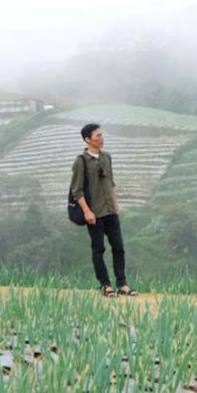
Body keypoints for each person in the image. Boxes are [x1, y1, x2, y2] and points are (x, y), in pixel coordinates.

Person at [70, 123, 137, 298]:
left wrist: (115, 205)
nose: (101, 138)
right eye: (97, 136)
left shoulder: (106, 157)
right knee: (99, 250)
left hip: (110, 211)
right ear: (87, 139)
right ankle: (105, 285)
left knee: (119, 247)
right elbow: (77, 190)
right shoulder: (81, 161)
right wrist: (87, 211)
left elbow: (110, 183)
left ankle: (122, 284)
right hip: (95, 213)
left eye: (101, 135)